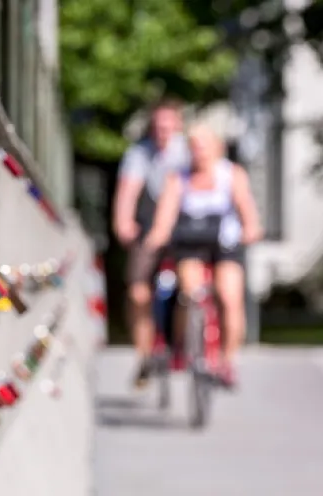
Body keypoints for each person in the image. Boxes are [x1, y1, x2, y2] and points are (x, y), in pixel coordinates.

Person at [142, 124, 263, 388]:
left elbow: (246, 208)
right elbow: (165, 217)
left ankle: (227, 360)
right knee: (190, 292)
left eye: (205, 146)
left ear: (218, 148)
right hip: (190, 244)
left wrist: (251, 229)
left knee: (229, 296)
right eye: (195, 147)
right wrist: (155, 238)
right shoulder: (179, 179)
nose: (200, 152)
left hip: (225, 243)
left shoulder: (231, 175)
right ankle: (183, 343)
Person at [112, 98, 191, 388]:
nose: (163, 132)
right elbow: (128, 189)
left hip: (186, 227)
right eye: (158, 126)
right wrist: (123, 221)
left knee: (192, 287)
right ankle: (144, 355)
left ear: (178, 125)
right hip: (150, 226)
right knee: (137, 291)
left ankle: (186, 342)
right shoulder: (140, 153)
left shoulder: (188, 151)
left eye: (168, 126)